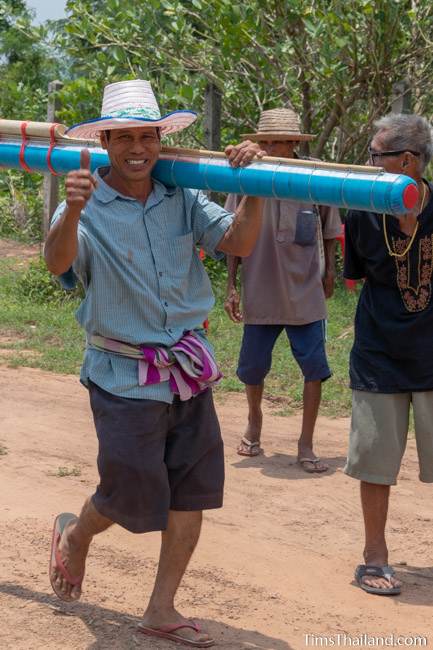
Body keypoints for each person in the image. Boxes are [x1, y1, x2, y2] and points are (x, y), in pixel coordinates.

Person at [44, 79, 265, 648]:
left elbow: (238, 244)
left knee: (191, 493)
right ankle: (75, 532)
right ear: (107, 141)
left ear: (161, 140)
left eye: (149, 135)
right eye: (126, 137)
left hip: (188, 369)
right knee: (130, 493)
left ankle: (162, 606)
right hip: (122, 372)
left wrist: (254, 185)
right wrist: (70, 212)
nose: (138, 148)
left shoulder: (181, 197)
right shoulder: (87, 198)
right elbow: (57, 263)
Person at [344, 113, 433, 595]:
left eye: (375, 156)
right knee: (376, 463)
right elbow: (358, 275)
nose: (368, 163)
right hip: (378, 354)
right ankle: (374, 559)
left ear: (408, 161)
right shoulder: (360, 208)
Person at [224, 107, 340, 472]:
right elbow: (230, 234)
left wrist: (330, 271)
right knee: (252, 368)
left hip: (304, 288)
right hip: (260, 287)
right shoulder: (244, 176)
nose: (275, 146)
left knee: (314, 368)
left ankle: (306, 443)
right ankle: (254, 423)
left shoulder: (314, 176)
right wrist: (231, 285)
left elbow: (330, 228)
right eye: (268, 141)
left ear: (294, 144)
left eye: (282, 141)